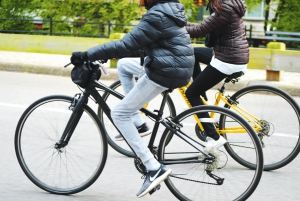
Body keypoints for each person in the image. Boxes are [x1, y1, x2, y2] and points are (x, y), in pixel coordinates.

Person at [70, 0, 194, 197]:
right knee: (125, 65)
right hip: (174, 65)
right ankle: (138, 121)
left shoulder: (156, 15)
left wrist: (87, 54)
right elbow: (142, 44)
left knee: (118, 113)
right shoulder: (168, 12)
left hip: (166, 70)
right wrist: (109, 54)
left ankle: (153, 168)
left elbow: (125, 43)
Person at [185, 0, 249, 148]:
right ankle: (202, 95)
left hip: (228, 59)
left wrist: (171, 27)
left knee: (191, 93)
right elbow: (203, 26)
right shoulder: (227, 4)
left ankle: (213, 137)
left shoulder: (224, 8)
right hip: (230, 54)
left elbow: (200, 30)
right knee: (192, 53)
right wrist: (179, 24)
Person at [115, 46, 212, 141]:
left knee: (192, 93)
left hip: (169, 65)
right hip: (177, 60)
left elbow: (143, 43)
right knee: (192, 55)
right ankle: (204, 107)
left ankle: (212, 134)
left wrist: (115, 52)